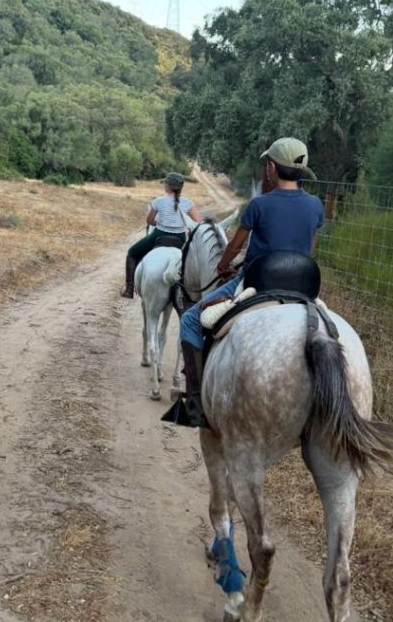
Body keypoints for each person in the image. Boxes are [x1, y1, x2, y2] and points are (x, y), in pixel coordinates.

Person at [174, 137, 324, 428]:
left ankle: (195, 403)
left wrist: (223, 265)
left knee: (191, 321)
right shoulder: (316, 205)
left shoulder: (259, 205)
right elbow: (309, 248)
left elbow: (234, 247)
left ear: (271, 168)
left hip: (260, 279)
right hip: (304, 283)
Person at [120, 172, 202, 298]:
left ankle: (129, 289)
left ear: (168, 186)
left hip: (159, 235)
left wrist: (158, 221)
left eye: (165, 183)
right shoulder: (188, 202)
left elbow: (149, 221)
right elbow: (197, 223)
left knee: (132, 252)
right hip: (180, 238)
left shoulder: (159, 201)